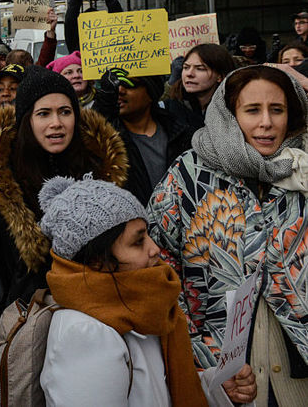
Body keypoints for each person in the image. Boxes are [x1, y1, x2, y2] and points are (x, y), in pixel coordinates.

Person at [149, 65, 308, 405]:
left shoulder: (302, 167)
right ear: (229, 114)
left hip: (298, 362)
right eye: (252, 110)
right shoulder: (188, 177)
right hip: (223, 368)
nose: (266, 122)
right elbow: (158, 269)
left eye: (277, 110)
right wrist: (200, 358)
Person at [0, 65, 128, 383]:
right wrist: (4, 304)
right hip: (18, 325)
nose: (56, 123)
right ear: (27, 119)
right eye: (44, 114)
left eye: (65, 111)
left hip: (91, 322)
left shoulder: (97, 169)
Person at [38, 175, 256, 406]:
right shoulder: (84, 334)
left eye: (147, 234)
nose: (154, 249)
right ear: (97, 261)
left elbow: (158, 391)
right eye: (138, 242)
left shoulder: (139, 307)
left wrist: (219, 388)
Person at [93, 68, 193, 206]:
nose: (119, 90)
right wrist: (103, 102)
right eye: (115, 85)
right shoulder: (107, 137)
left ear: (151, 93)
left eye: (129, 84)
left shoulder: (180, 133)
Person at [161, 44, 235, 130]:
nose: (189, 74)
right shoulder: (167, 110)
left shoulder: (236, 110)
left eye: (200, 69)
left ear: (220, 76)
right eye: (186, 67)